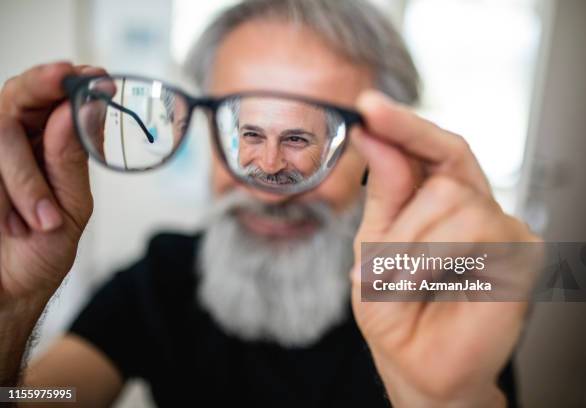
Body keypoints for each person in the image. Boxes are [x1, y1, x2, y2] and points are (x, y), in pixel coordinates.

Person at [0, 0, 537, 406]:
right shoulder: (162, 278)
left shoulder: (436, 285)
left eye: (304, 139)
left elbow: (575, 271)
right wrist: (11, 314)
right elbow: (40, 398)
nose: (266, 177)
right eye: (247, 133)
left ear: (383, 153)